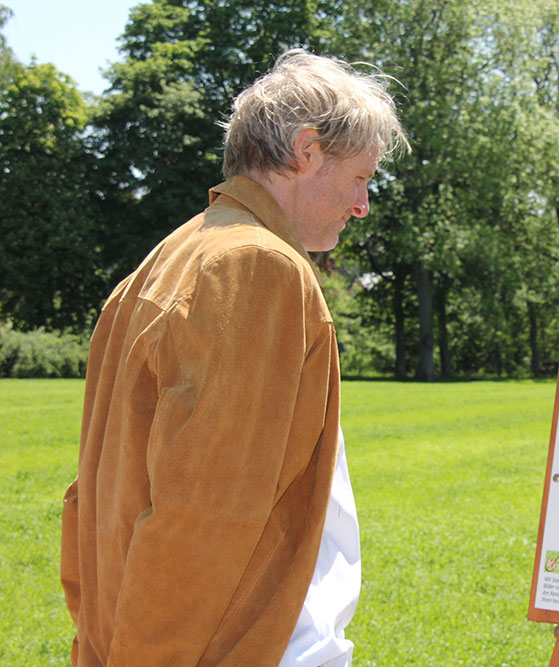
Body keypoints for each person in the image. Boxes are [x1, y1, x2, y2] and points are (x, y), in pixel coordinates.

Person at [60, 49, 409, 666]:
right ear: (306, 150)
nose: (362, 204)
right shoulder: (256, 268)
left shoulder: (169, 256)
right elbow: (203, 517)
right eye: (360, 177)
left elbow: (87, 497)